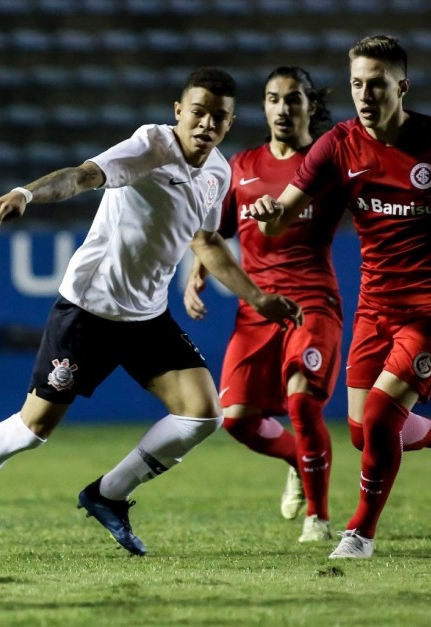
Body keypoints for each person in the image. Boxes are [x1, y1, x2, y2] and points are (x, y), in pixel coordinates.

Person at [0, 67, 303, 557]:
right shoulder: (149, 146)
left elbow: (205, 241)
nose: (206, 124)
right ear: (178, 112)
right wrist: (26, 193)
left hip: (146, 316)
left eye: (219, 117)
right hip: (89, 310)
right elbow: (83, 176)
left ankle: (108, 494)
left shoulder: (218, 172)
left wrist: (257, 297)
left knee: (204, 414)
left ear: (229, 124)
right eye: (198, 112)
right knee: (33, 429)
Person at [248, 35, 431, 559]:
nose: (364, 94)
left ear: (401, 86)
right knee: (364, 434)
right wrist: (270, 215)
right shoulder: (337, 145)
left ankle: (360, 533)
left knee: (383, 417)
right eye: (357, 83)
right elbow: (285, 214)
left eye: (376, 84)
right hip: (376, 304)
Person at [184, 66, 344, 543]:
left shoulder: (326, 165)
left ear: (309, 106)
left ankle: (318, 518)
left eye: (293, 99)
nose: (282, 108)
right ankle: (299, 458)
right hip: (256, 307)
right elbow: (218, 230)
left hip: (310, 302)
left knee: (301, 400)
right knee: (233, 419)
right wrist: (199, 270)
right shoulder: (243, 165)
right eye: (273, 98)